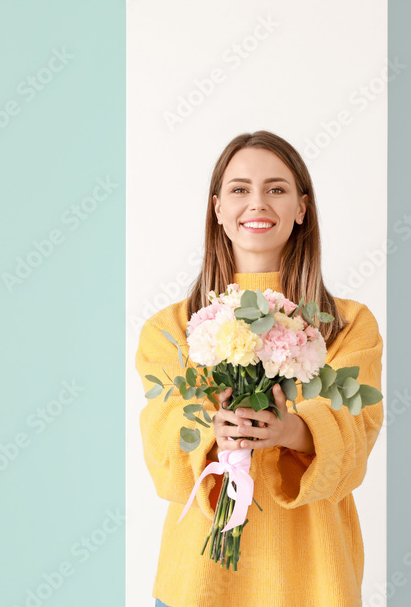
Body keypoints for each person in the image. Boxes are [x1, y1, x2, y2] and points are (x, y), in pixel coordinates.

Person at [136, 130, 384, 607]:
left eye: (276, 189)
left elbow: (356, 438)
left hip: (313, 579)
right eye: (239, 189)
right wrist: (215, 433)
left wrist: (292, 431)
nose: (258, 203)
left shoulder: (349, 325)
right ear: (218, 210)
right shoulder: (169, 329)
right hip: (199, 583)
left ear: (301, 208)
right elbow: (161, 445)